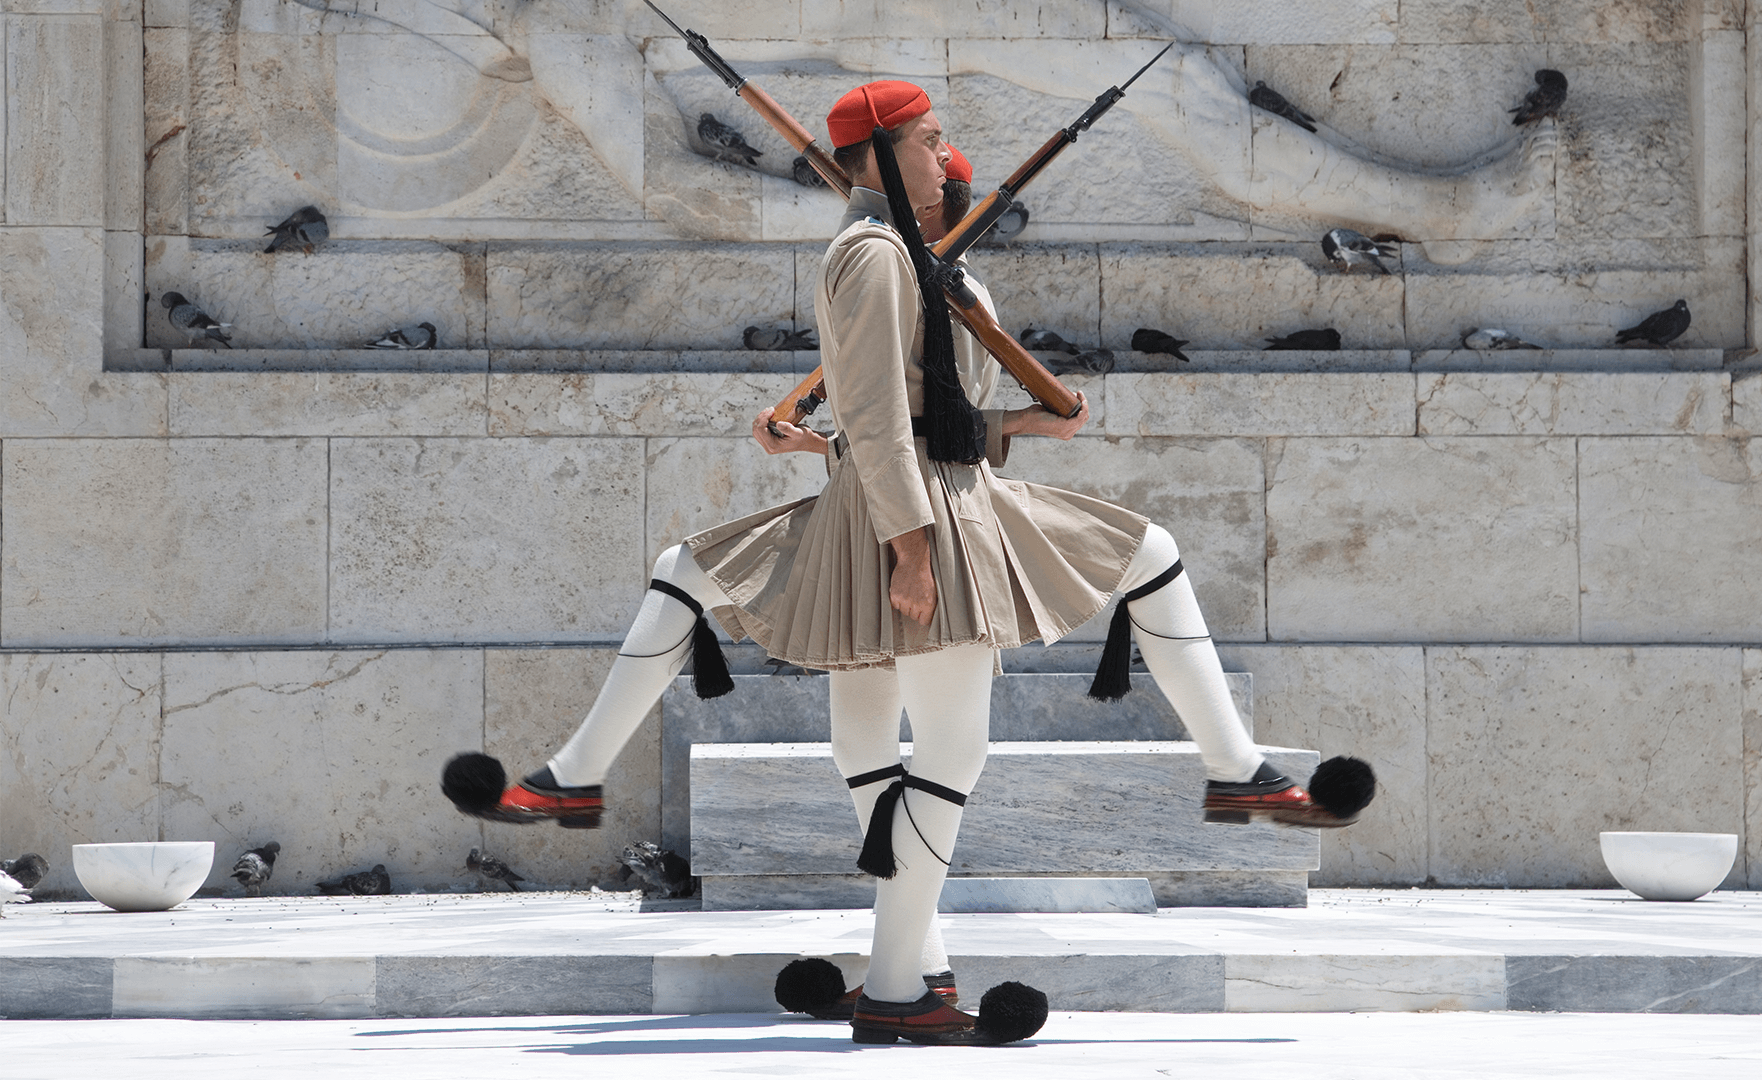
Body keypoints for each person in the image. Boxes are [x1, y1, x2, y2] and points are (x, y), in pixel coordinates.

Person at [442, 80, 1370, 1045]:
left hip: (925, 492)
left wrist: (982, 430)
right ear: (884, 157)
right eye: (931, 143)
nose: (947, 159)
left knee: (886, 692)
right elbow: (881, 419)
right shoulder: (878, 256)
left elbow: (924, 412)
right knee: (945, 742)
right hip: (924, 511)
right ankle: (897, 983)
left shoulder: (901, 262)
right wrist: (915, 550)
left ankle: (907, 958)